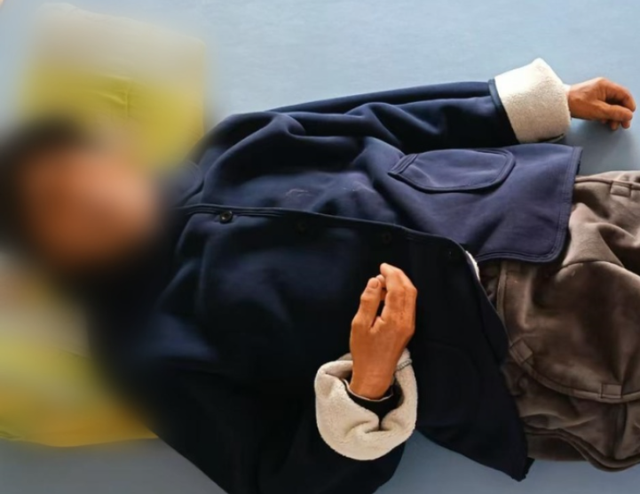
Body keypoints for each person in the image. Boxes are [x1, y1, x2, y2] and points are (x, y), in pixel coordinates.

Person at [0, 58, 637, 493]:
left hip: (552, 203)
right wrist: (368, 386)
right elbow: (272, 474)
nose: (88, 196)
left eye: (81, 170)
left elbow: (379, 118)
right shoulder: (145, 348)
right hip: (509, 354)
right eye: (55, 207)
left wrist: (536, 103)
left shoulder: (230, 145)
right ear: (54, 256)